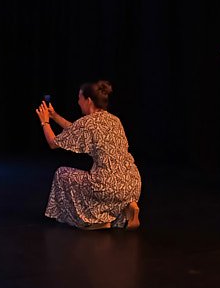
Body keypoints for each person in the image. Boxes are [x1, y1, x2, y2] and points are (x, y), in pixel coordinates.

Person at [36, 81, 142, 230]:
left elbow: (53, 143)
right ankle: (127, 207)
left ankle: (97, 220)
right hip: (132, 183)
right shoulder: (114, 120)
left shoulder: (87, 123)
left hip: (108, 185)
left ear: (89, 100)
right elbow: (75, 130)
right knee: (106, 184)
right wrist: (55, 116)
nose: (78, 102)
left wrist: (45, 122)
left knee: (62, 174)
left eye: (80, 98)